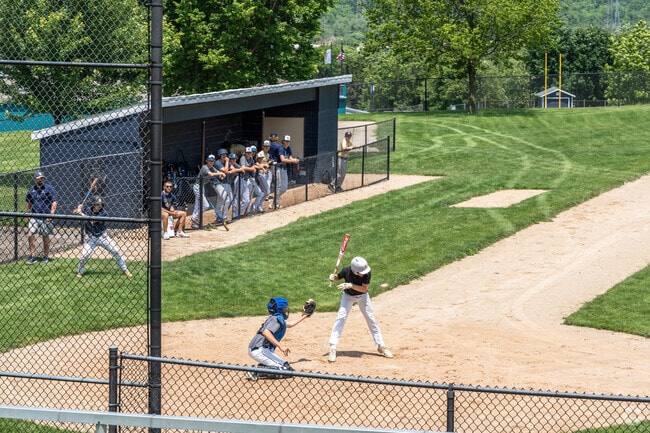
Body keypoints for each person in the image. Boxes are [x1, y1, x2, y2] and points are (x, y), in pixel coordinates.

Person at [327, 256, 393, 362]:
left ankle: (381, 346)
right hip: (347, 297)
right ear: (354, 271)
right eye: (361, 272)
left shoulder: (367, 273)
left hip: (363, 296)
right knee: (341, 318)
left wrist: (351, 285)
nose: (364, 273)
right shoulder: (346, 270)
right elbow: (337, 277)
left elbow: (364, 289)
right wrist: (332, 277)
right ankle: (333, 347)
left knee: (371, 318)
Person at [247, 297, 310, 380]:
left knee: (286, 367)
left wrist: (305, 316)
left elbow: (290, 324)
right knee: (285, 371)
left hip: (260, 349)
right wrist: (280, 346)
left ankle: (263, 367)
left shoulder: (276, 318)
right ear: (280, 309)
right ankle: (255, 371)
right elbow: (266, 332)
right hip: (259, 350)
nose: (286, 310)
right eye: (284, 308)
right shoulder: (276, 320)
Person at [73, 195, 132, 278]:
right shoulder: (86, 209)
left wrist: (80, 213)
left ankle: (125, 269)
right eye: (97, 204)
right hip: (90, 237)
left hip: (102, 236)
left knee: (116, 251)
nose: (99, 206)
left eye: (100, 204)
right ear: (93, 204)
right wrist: (78, 209)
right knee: (84, 256)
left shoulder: (104, 213)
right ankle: (80, 272)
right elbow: (74, 212)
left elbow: (92, 220)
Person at [25, 171, 59, 264]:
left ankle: (45, 256)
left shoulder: (49, 188)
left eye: (42, 178)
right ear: (35, 179)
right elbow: (29, 202)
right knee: (30, 234)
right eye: (39, 178)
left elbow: (54, 201)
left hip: (45, 215)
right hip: (34, 215)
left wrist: (51, 213)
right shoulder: (31, 189)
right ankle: (33, 256)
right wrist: (27, 213)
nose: (41, 180)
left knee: (45, 236)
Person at [191, 154, 227, 228]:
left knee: (198, 204)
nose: (211, 162)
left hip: (202, 187)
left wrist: (222, 175)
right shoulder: (205, 167)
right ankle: (194, 218)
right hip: (197, 187)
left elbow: (217, 173)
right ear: (206, 161)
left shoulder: (212, 168)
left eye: (212, 161)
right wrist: (220, 173)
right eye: (210, 161)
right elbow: (211, 174)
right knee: (205, 205)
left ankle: (194, 222)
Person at [267, 135, 300, 209]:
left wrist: (294, 160)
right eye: (286, 141)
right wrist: (292, 161)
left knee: (284, 187)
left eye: (288, 141)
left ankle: (273, 200)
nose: (287, 143)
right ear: (283, 141)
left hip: (284, 168)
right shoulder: (281, 148)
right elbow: (283, 160)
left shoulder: (288, 148)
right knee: (278, 186)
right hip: (278, 168)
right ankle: (276, 203)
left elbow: (289, 157)